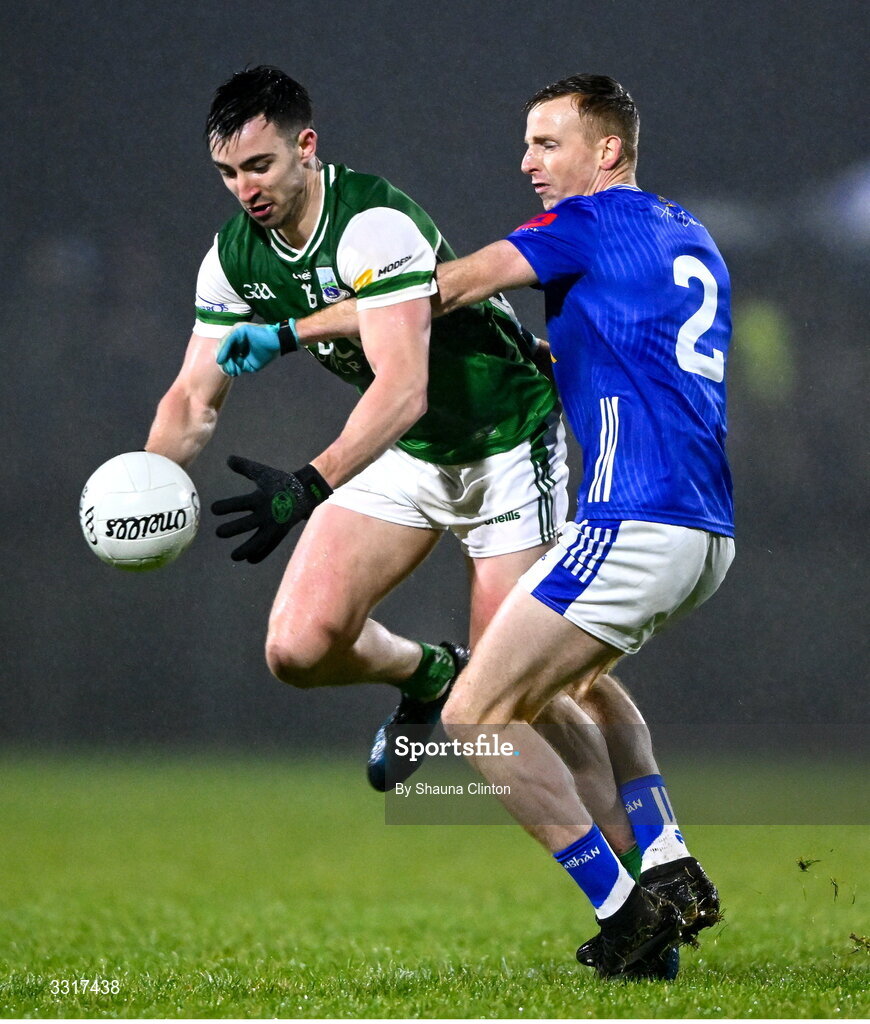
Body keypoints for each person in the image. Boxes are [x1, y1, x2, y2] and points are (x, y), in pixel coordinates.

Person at [144, 66, 643, 871]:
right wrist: (145, 484)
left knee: (523, 698)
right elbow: (192, 398)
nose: (245, 188)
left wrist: (308, 484)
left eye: (260, 165)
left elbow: (403, 389)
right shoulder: (233, 258)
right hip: (405, 455)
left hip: (503, 446)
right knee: (299, 648)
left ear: (307, 148)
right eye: (229, 173)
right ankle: (431, 674)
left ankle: (643, 872)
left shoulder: (370, 224)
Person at [401, 73, 735, 979]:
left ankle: (626, 911)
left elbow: (448, 288)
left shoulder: (589, 223)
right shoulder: (687, 234)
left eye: (548, 143)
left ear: (608, 152)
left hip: (636, 517)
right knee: (579, 686)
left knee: (473, 712)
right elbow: (635, 352)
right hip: (707, 533)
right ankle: (665, 858)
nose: (528, 162)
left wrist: (300, 322)